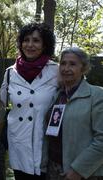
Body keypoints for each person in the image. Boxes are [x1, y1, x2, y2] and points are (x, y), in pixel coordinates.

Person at [0, 22, 58, 180]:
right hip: (19, 141)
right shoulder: (10, 73)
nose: (30, 45)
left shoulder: (57, 71)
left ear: (45, 45)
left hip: (45, 143)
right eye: (26, 40)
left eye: (36, 40)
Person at [41, 47, 103, 180]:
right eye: (63, 63)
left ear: (83, 68)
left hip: (83, 173)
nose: (66, 68)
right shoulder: (57, 95)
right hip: (53, 169)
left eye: (72, 64)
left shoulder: (97, 96)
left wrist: (78, 170)